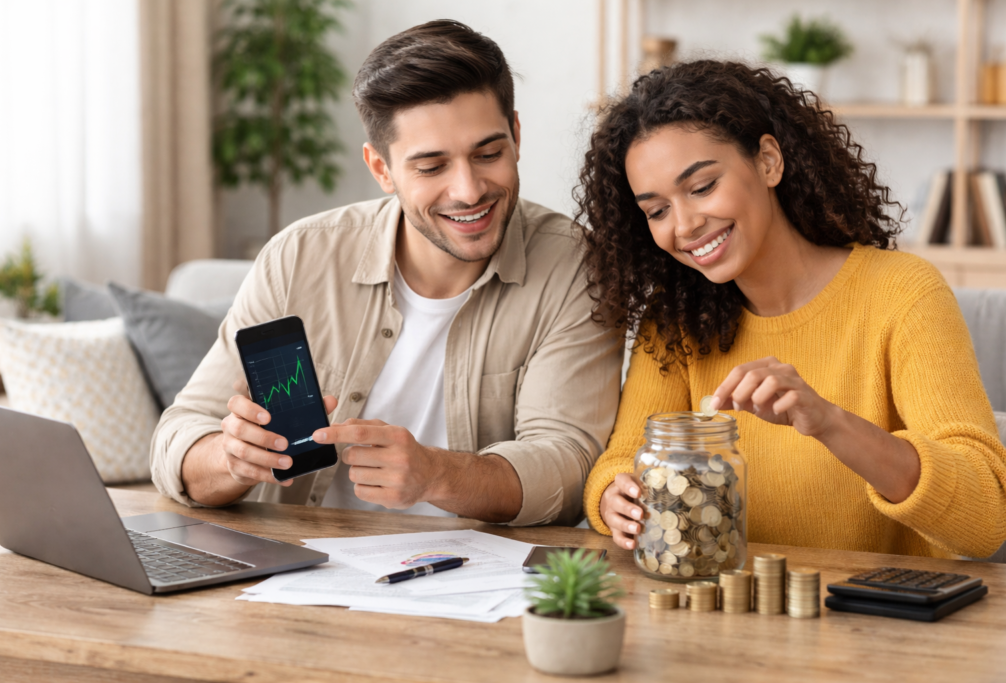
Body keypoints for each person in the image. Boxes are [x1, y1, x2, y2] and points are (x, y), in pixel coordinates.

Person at [150, 20, 622, 526]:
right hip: (295, 573)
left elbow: (570, 464)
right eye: (431, 167)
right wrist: (231, 459)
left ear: (516, 135)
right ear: (381, 169)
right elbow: (179, 438)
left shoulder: (576, 266)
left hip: (471, 583)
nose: (467, 190)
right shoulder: (301, 255)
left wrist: (438, 474)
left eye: (488, 153)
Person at [578, 60, 1006, 558]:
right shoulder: (676, 318)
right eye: (657, 210)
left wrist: (828, 421)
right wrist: (613, 495)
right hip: (724, 616)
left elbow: (986, 516)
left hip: (880, 623)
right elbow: (625, 456)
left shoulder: (903, 293)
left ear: (767, 161)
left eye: (701, 187)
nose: (686, 224)